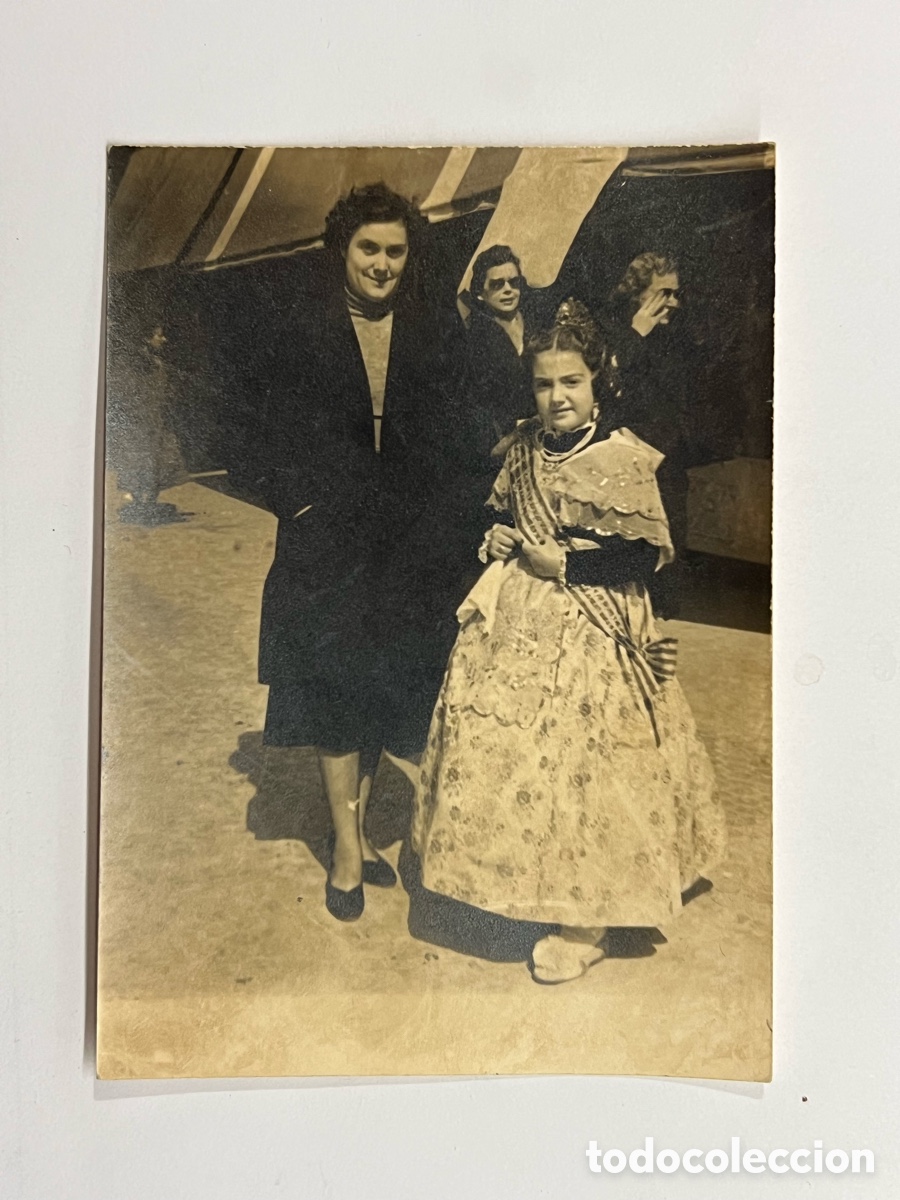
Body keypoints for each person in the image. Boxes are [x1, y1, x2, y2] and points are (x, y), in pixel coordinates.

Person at [410, 301, 725, 983]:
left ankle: (586, 918)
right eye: (545, 384)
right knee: (512, 752)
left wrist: (571, 565)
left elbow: (644, 556)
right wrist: (493, 536)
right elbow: (501, 512)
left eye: (571, 383)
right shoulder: (524, 445)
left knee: (591, 763)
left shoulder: (620, 457)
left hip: (596, 622)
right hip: (519, 614)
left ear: (597, 380)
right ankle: (517, 886)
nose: (557, 398)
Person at [240, 183, 459, 922]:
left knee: (385, 684)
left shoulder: (432, 329)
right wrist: (294, 499)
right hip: (325, 540)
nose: (382, 264)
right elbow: (248, 429)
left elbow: (452, 436)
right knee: (334, 687)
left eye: (396, 251)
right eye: (369, 247)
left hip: (405, 546)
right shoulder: (296, 328)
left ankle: (365, 836)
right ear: (343, 249)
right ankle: (345, 846)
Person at [600, 252, 691, 615]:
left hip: (666, 459)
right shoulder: (612, 332)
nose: (673, 302)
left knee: (669, 547)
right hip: (628, 461)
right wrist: (636, 333)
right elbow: (606, 388)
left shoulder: (675, 338)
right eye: (663, 293)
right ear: (638, 294)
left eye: (675, 293)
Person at [107, 323, 189, 525]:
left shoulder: (145, 363)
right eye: (158, 335)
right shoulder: (148, 365)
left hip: (145, 421)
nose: (163, 340)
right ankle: (146, 503)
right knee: (150, 459)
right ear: (146, 338)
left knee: (143, 460)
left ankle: (142, 502)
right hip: (146, 421)